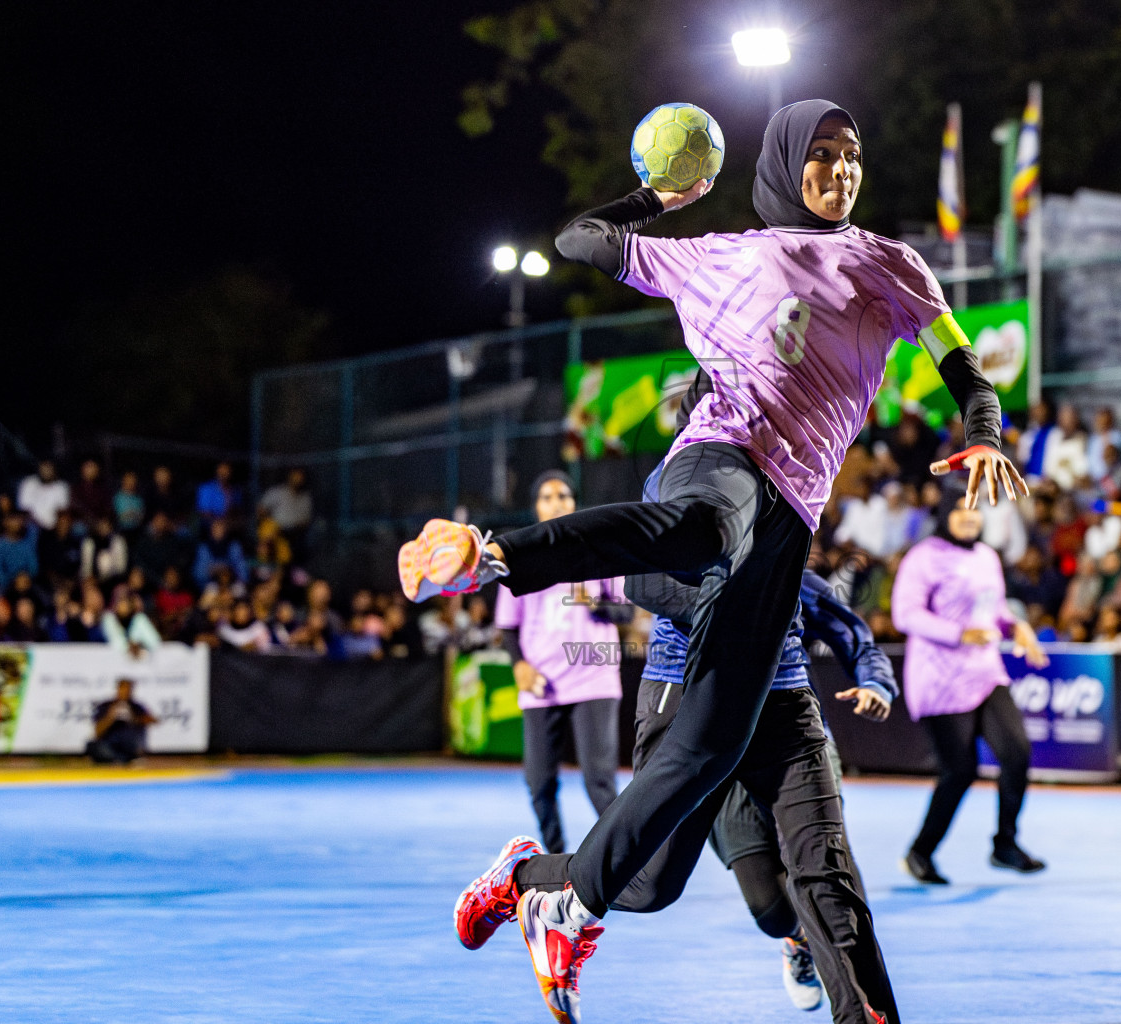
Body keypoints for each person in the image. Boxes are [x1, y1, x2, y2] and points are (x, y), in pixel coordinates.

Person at [436, 100, 1022, 1024]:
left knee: (690, 804)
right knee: (706, 535)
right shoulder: (717, 253)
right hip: (719, 464)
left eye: (852, 155)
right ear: (787, 164)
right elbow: (580, 240)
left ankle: (542, 883)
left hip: (788, 523)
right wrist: (661, 197)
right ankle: (495, 554)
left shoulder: (887, 262)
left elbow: (966, 368)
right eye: (822, 156)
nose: (840, 171)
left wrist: (984, 433)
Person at [613, 395, 899, 1014]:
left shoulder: (791, 504)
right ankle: (792, 940)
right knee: (750, 903)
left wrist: (877, 682)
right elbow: (640, 581)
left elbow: (854, 634)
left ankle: (855, 998)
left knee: (826, 878)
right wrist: (732, 598)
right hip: (698, 709)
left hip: (782, 713)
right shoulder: (675, 481)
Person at [892, 487, 1049, 882]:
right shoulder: (923, 557)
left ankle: (1005, 845)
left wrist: (1018, 625)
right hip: (940, 678)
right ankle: (920, 853)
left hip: (984, 671)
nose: (968, 518)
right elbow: (905, 614)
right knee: (960, 771)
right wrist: (958, 633)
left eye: (973, 511)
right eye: (959, 511)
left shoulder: (986, 556)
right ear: (944, 515)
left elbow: (993, 609)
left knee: (1016, 752)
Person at [495, 470, 627, 856]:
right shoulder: (519, 558)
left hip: (593, 678)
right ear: (536, 507)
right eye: (547, 496)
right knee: (538, 782)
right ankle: (556, 857)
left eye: (564, 495)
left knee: (599, 780)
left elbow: (625, 613)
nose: (557, 502)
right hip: (542, 682)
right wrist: (519, 665)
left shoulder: (597, 551)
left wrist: (597, 604)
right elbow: (508, 628)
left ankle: (620, 858)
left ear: (574, 504)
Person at [86, 678, 157, 764]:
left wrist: (133, 718)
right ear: (118, 689)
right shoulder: (106, 705)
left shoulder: (135, 706)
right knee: (93, 746)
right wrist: (111, 717)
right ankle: (119, 759)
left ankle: (123, 759)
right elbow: (97, 731)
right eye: (123, 689)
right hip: (110, 743)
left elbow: (153, 720)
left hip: (129, 743)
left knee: (132, 743)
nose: (125, 692)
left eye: (128, 689)